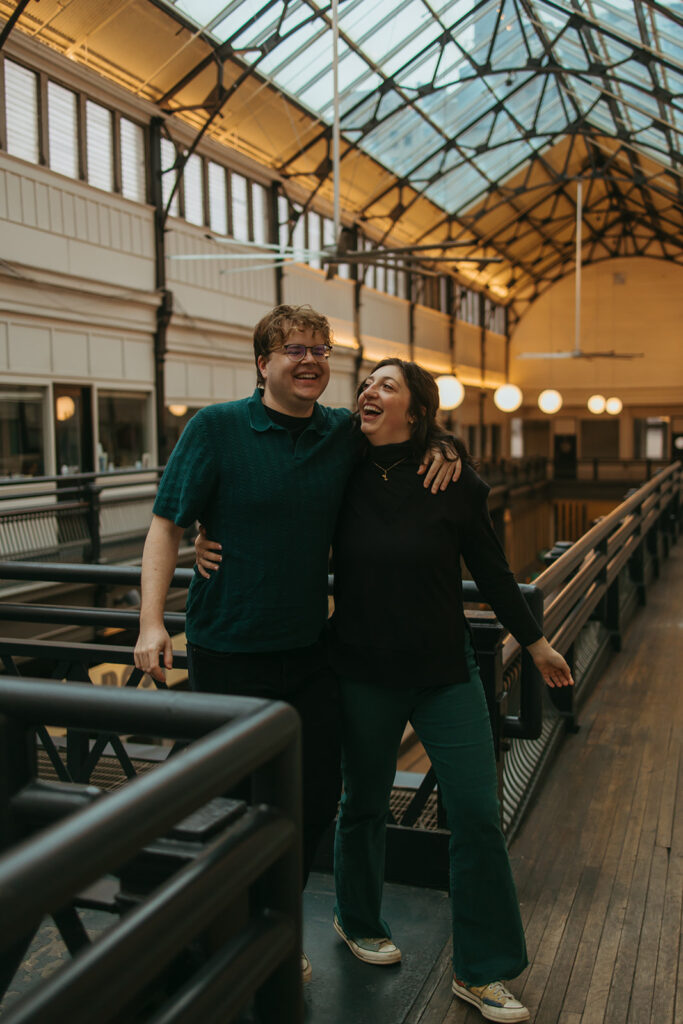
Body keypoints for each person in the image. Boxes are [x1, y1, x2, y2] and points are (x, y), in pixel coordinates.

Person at [134, 306, 461, 984]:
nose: (310, 360)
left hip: (311, 652)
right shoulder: (217, 428)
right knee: (224, 803)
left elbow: (405, 434)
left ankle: (277, 928)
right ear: (263, 364)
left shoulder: (340, 431)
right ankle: (211, 930)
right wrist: (151, 622)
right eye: (293, 350)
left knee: (312, 801)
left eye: (320, 349)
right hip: (228, 649)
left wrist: (447, 447)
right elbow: (166, 524)